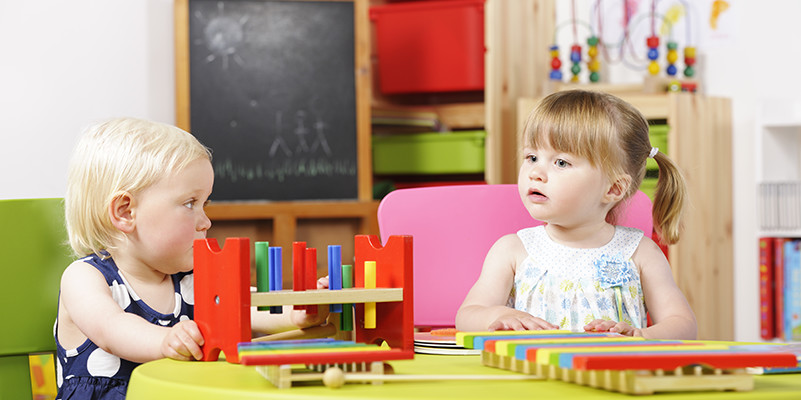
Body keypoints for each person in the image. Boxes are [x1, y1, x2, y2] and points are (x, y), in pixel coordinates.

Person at [56, 118, 329, 399]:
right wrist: (165, 340)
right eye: (190, 203)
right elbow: (110, 329)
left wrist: (296, 314)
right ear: (126, 212)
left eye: (205, 204)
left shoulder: (190, 281)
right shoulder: (85, 277)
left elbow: (243, 307)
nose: (206, 221)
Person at [455, 90, 697, 340]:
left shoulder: (640, 253)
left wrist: (641, 335)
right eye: (532, 157)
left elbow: (683, 324)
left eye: (561, 162)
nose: (535, 172)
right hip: (533, 376)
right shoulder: (512, 251)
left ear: (613, 188)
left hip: (614, 377)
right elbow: (467, 315)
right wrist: (497, 316)